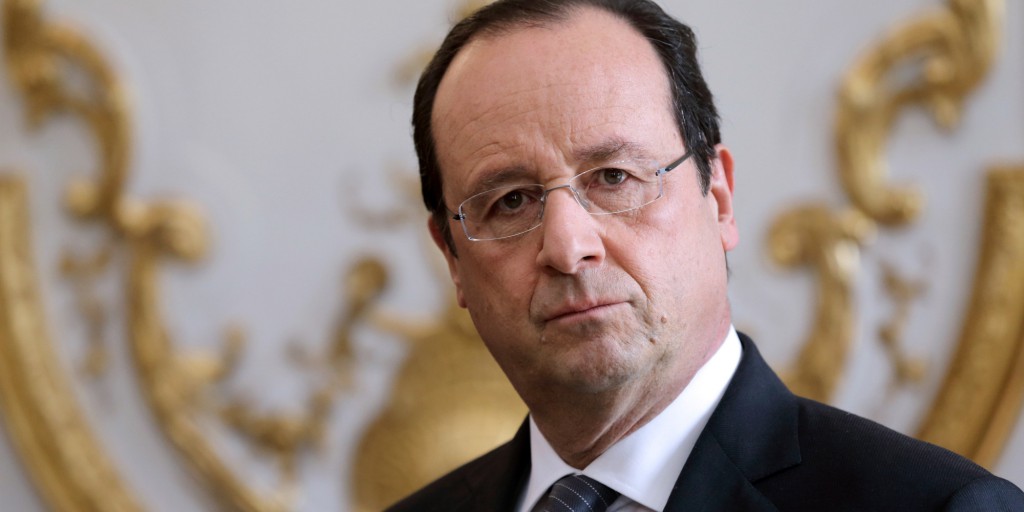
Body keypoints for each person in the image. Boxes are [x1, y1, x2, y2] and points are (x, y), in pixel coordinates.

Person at [389, 0, 1024, 510]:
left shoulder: (939, 504)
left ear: (717, 197)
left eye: (614, 177)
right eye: (511, 202)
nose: (568, 247)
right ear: (451, 260)